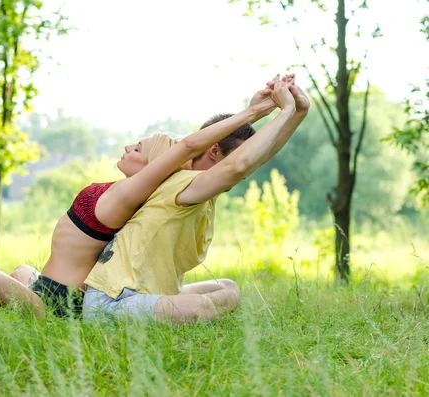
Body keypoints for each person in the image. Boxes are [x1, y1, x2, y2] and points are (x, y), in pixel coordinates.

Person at [0, 81, 279, 317]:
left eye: (139, 148)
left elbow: (188, 148)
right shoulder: (140, 195)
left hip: (62, 305)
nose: (128, 148)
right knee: (20, 271)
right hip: (53, 286)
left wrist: (251, 113)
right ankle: (2, 318)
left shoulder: (135, 192)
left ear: (155, 165)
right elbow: (191, 149)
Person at [82, 75, 310, 323]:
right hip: (111, 303)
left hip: (146, 294)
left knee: (228, 288)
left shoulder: (199, 188)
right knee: (200, 307)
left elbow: (252, 160)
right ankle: (176, 313)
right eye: (243, 152)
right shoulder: (182, 183)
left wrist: (299, 112)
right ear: (214, 150)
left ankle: (169, 310)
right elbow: (240, 165)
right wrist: (285, 109)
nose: (247, 166)